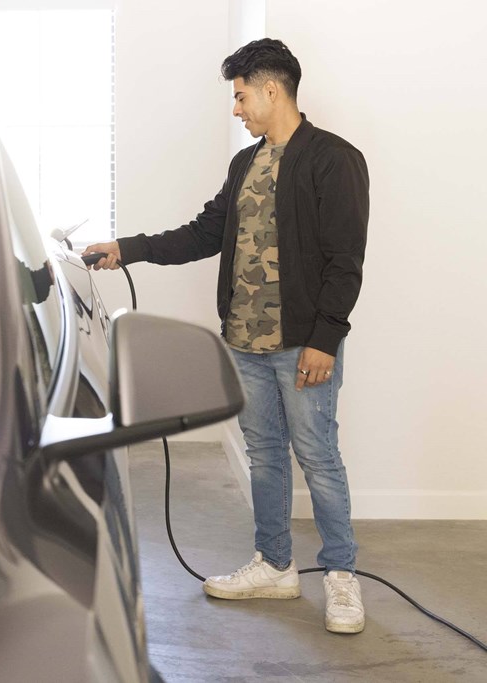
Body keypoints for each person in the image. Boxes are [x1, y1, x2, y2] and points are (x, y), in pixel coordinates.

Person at [83, 38, 369, 634]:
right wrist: (126, 249)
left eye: (240, 97)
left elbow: (346, 260)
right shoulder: (247, 163)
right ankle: (275, 565)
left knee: (317, 456)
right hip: (244, 340)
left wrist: (326, 338)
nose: (236, 110)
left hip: (302, 343)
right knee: (263, 455)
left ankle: (341, 576)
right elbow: (203, 233)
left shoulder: (333, 159)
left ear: (271, 89)